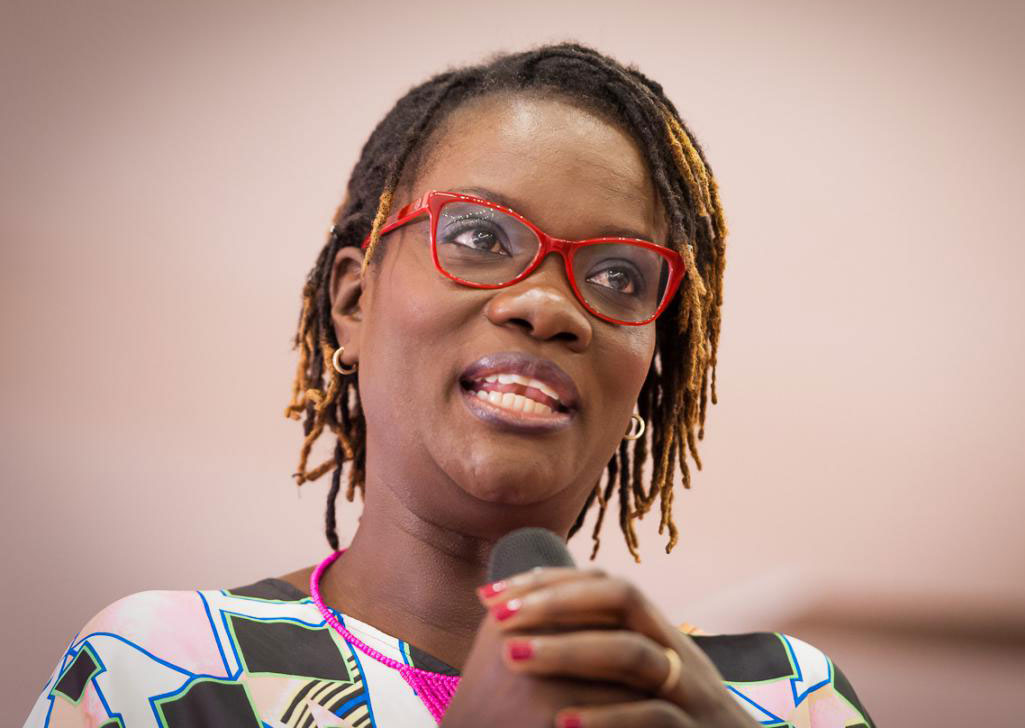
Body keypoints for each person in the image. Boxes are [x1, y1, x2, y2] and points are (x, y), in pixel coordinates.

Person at [25, 43, 875, 727]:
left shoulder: (783, 700)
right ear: (353, 302)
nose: (548, 306)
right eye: (478, 236)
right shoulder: (160, 669)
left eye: (618, 276)